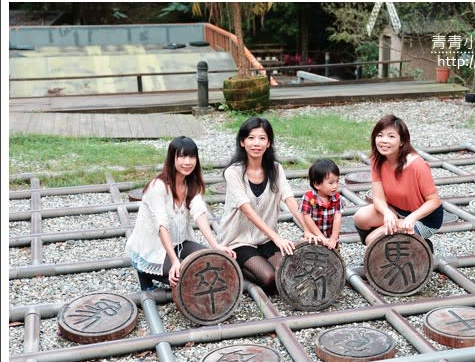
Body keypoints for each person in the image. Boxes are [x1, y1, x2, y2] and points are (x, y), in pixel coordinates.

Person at [216, 117, 313, 294]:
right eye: (251, 138)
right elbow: (247, 209)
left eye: (262, 138)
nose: (256, 143)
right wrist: (276, 237)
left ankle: (258, 261)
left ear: (269, 143)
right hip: (238, 241)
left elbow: (290, 199)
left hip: (266, 239)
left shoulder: (276, 169)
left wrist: (307, 228)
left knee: (290, 273)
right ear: (242, 142)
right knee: (270, 279)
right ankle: (236, 266)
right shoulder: (233, 172)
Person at [125, 136, 236, 291]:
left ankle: (172, 269)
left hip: (181, 243)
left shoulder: (191, 184)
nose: (187, 162)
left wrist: (215, 245)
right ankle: (145, 273)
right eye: (182, 156)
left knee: (213, 261)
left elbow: (200, 214)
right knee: (186, 274)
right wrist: (175, 260)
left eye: (192, 156)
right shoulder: (158, 187)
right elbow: (162, 225)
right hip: (152, 249)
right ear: (172, 158)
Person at [353, 114, 443, 251]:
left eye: (391, 136)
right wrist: (387, 213)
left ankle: (420, 246)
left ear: (402, 141)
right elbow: (378, 198)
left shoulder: (417, 165)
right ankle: (390, 243)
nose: (384, 141)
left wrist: (412, 218)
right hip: (396, 210)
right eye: (380, 135)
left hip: (423, 218)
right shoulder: (377, 160)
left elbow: (434, 201)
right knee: (360, 218)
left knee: (372, 240)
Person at [298, 158, 345, 250]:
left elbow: (337, 219)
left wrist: (333, 238)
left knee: (333, 255)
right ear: (317, 185)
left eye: (337, 181)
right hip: (313, 236)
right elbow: (307, 218)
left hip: (330, 236)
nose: (335, 186)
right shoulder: (309, 197)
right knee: (309, 253)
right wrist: (320, 237)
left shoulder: (337, 198)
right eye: (331, 183)